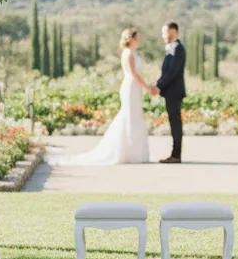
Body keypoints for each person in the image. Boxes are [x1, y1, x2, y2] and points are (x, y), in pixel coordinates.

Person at [51, 28, 153, 166]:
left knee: (134, 116)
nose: (139, 40)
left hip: (135, 88)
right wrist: (148, 87)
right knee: (129, 116)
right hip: (131, 87)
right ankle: (128, 152)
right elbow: (134, 74)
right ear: (131, 39)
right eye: (137, 38)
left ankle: (133, 151)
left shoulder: (131, 53)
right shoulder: (128, 53)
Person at [156, 22, 186, 164]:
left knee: (175, 123)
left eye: (165, 32)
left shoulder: (178, 48)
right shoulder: (171, 47)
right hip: (170, 92)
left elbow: (172, 72)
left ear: (173, 31)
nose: (163, 35)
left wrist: (158, 85)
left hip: (174, 91)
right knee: (174, 123)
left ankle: (176, 155)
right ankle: (175, 154)